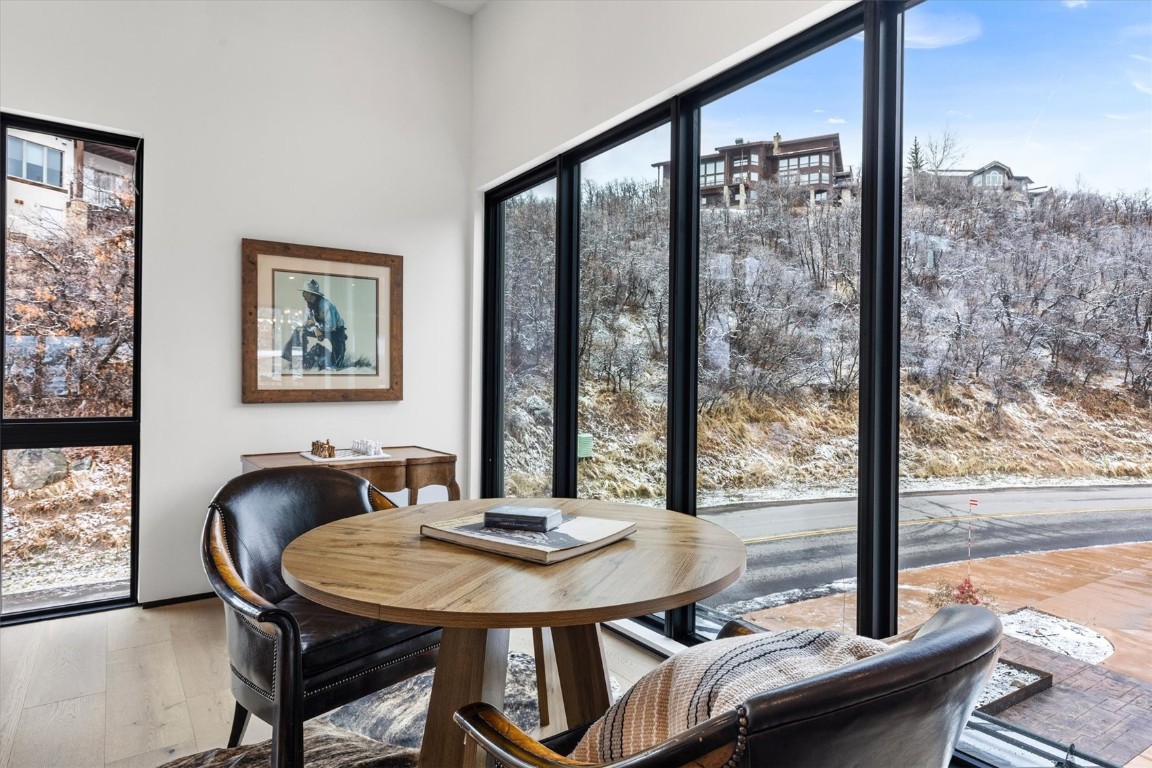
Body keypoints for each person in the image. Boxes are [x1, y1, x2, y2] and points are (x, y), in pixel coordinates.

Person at [282, 279, 347, 370]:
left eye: (305, 292)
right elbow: (306, 323)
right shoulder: (309, 305)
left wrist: (317, 326)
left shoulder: (326, 305)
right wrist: (315, 329)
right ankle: (294, 357)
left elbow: (332, 326)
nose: (303, 295)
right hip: (319, 328)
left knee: (337, 364)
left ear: (311, 294)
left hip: (335, 332)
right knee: (299, 330)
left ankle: (320, 351)